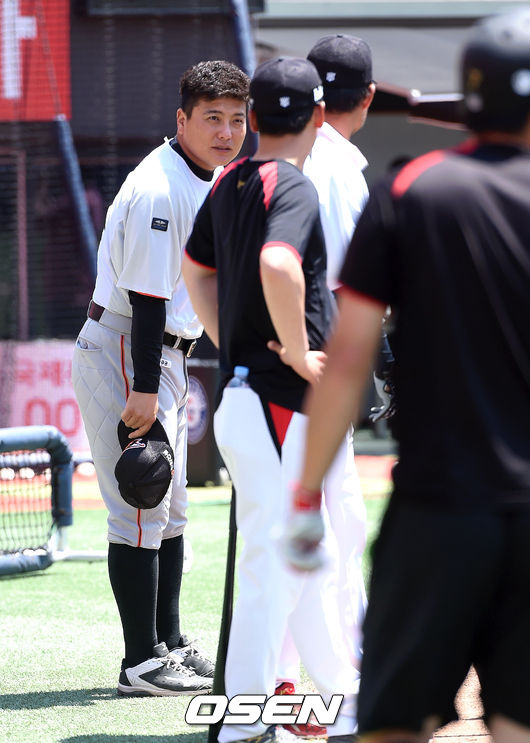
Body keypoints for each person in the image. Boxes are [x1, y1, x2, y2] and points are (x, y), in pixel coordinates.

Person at [285, 9, 530, 743]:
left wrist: (305, 492)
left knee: (391, 726)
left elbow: (348, 356)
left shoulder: (412, 188)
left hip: (437, 510)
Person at [183, 57, 359, 743]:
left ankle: (345, 697)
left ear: (253, 117)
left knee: (301, 556)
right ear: (320, 116)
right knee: (278, 561)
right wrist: (294, 349)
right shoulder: (292, 183)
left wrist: (233, 340)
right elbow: (279, 262)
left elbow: (196, 269)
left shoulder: (231, 181)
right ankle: (245, 719)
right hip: (279, 402)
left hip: (249, 400)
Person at [72, 59, 249, 697]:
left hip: (159, 351)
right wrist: (144, 389)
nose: (226, 131)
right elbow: (147, 299)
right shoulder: (159, 187)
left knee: (170, 507)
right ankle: (138, 662)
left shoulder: (210, 176)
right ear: (182, 119)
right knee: (141, 499)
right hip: (128, 347)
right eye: (212, 118)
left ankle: (168, 643)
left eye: (236, 119)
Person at [275, 36, 376, 710]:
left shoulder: (275, 160)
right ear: (366, 97)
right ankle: (330, 670)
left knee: (317, 519)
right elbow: (351, 284)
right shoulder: (339, 166)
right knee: (331, 523)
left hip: (277, 359)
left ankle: (297, 666)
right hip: (319, 360)